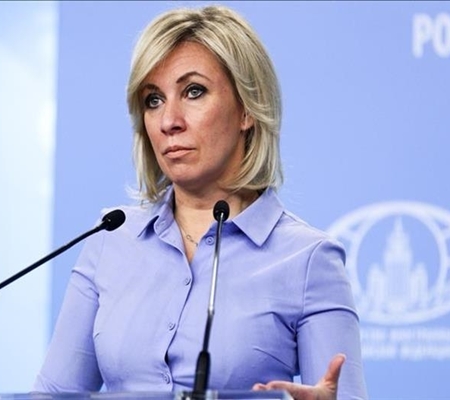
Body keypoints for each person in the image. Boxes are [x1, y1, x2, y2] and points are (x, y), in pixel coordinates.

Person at [34, 5, 367, 400]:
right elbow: (52, 395)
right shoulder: (111, 238)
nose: (168, 121)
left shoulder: (309, 259)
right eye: (153, 100)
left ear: (247, 108)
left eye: (194, 91)